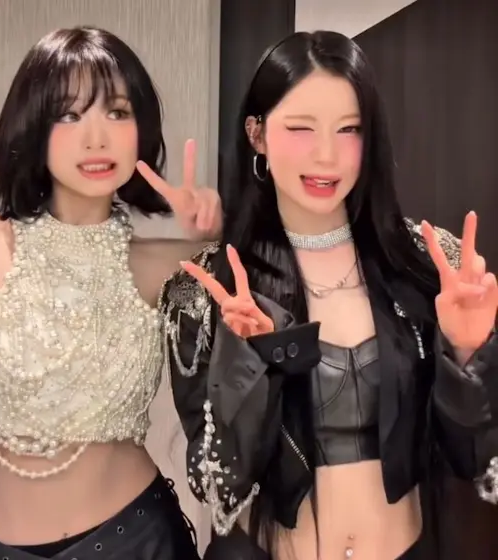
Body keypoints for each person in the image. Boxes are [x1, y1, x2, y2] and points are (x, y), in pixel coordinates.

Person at [160, 30, 498, 560]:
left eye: (349, 129)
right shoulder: (211, 288)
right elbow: (216, 486)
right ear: (257, 134)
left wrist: (467, 350)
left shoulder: (429, 264)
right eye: (301, 128)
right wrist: (249, 365)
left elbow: (476, 462)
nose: (326, 155)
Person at [0, 25, 222, 559]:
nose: (97, 138)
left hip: (138, 540)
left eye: (117, 111)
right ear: (32, 126)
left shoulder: (169, 265)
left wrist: (213, 226)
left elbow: (278, 281)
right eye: (69, 114)